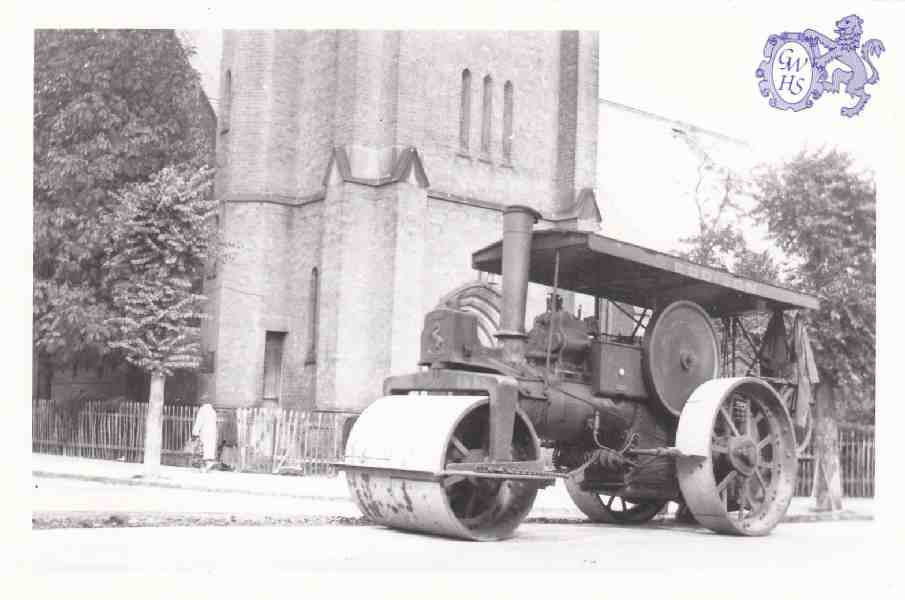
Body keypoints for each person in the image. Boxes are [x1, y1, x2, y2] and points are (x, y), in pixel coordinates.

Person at [192, 398, 218, 472]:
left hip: (205, 432)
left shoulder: (202, 410)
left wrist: (195, 432)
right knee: (209, 449)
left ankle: (204, 466)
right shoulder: (213, 411)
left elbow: (199, 422)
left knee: (203, 449)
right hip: (212, 433)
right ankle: (209, 464)